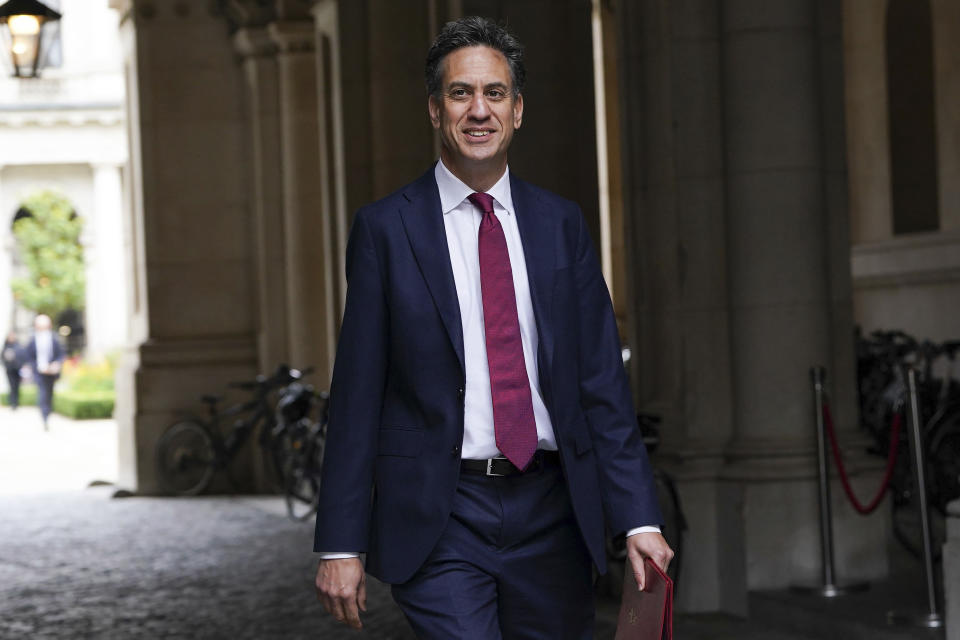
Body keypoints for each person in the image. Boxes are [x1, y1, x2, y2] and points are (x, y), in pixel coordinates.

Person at [313, 16, 672, 638]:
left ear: (518, 109)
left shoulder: (562, 224)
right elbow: (357, 394)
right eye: (460, 93)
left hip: (552, 510)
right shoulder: (385, 230)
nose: (479, 110)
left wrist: (638, 516)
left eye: (495, 94)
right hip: (441, 511)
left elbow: (601, 386)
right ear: (434, 109)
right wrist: (339, 541)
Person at [25, 315, 65, 429]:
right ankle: (45, 416)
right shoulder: (32, 340)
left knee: (50, 394)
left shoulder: (54, 338)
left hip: (52, 371)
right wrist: (36, 366)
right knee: (42, 394)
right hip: (39, 372)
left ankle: (48, 413)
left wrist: (56, 364)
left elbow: (61, 354)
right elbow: (28, 356)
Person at [3, 331, 24, 410]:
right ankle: (12, 403)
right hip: (9, 369)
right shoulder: (6, 346)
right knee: (11, 386)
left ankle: (16, 401)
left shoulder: (18, 345)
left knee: (17, 386)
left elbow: (22, 356)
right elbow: (2, 357)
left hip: (17, 369)